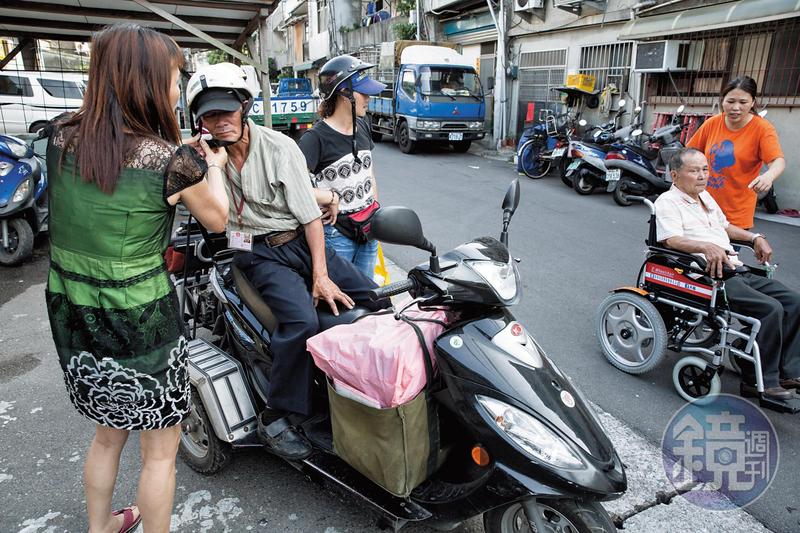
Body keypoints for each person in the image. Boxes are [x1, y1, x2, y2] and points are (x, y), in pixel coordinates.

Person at [46, 23, 229, 533]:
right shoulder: (172, 161)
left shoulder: (59, 136)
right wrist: (209, 165)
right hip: (140, 318)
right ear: (146, 82)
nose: (176, 90)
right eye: (173, 79)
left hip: (73, 308)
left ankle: (100, 526)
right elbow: (218, 220)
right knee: (159, 452)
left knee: (109, 434)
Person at [186, 63, 387, 460]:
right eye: (210, 115)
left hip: (298, 238)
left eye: (226, 112)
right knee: (301, 321)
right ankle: (279, 413)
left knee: (378, 297)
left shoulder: (280, 148)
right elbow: (210, 213)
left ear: (244, 107)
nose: (221, 122)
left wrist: (322, 274)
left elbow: (310, 217)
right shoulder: (205, 159)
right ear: (201, 121)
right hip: (255, 252)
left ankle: (368, 386)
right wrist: (209, 165)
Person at [655, 148, 800, 401]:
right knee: (770, 309)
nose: (702, 176)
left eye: (705, 169)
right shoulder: (667, 202)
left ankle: (786, 369)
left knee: (794, 302)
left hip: (734, 267)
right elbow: (671, 239)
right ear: (675, 175)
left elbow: (725, 227)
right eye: (694, 171)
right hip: (707, 275)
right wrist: (705, 247)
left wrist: (755, 237)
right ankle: (757, 381)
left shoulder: (706, 198)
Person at [298, 55, 386, 278]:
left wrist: (374, 210)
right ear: (343, 94)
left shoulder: (363, 126)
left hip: (369, 231)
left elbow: (370, 174)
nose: (369, 97)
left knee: (368, 296)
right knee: (341, 302)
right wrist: (328, 197)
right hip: (336, 235)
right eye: (363, 92)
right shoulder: (314, 138)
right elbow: (294, 189)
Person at [687, 75, 785, 230]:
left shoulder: (762, 129)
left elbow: (777, 161)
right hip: (701, 207)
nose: (735, 107)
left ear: (752, 102)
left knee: (724, 255)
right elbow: (690, 153)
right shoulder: (712, 123)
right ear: (722, 100)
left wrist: (768, 176)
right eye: (731, 101)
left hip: (735, 215)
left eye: (743, 102)